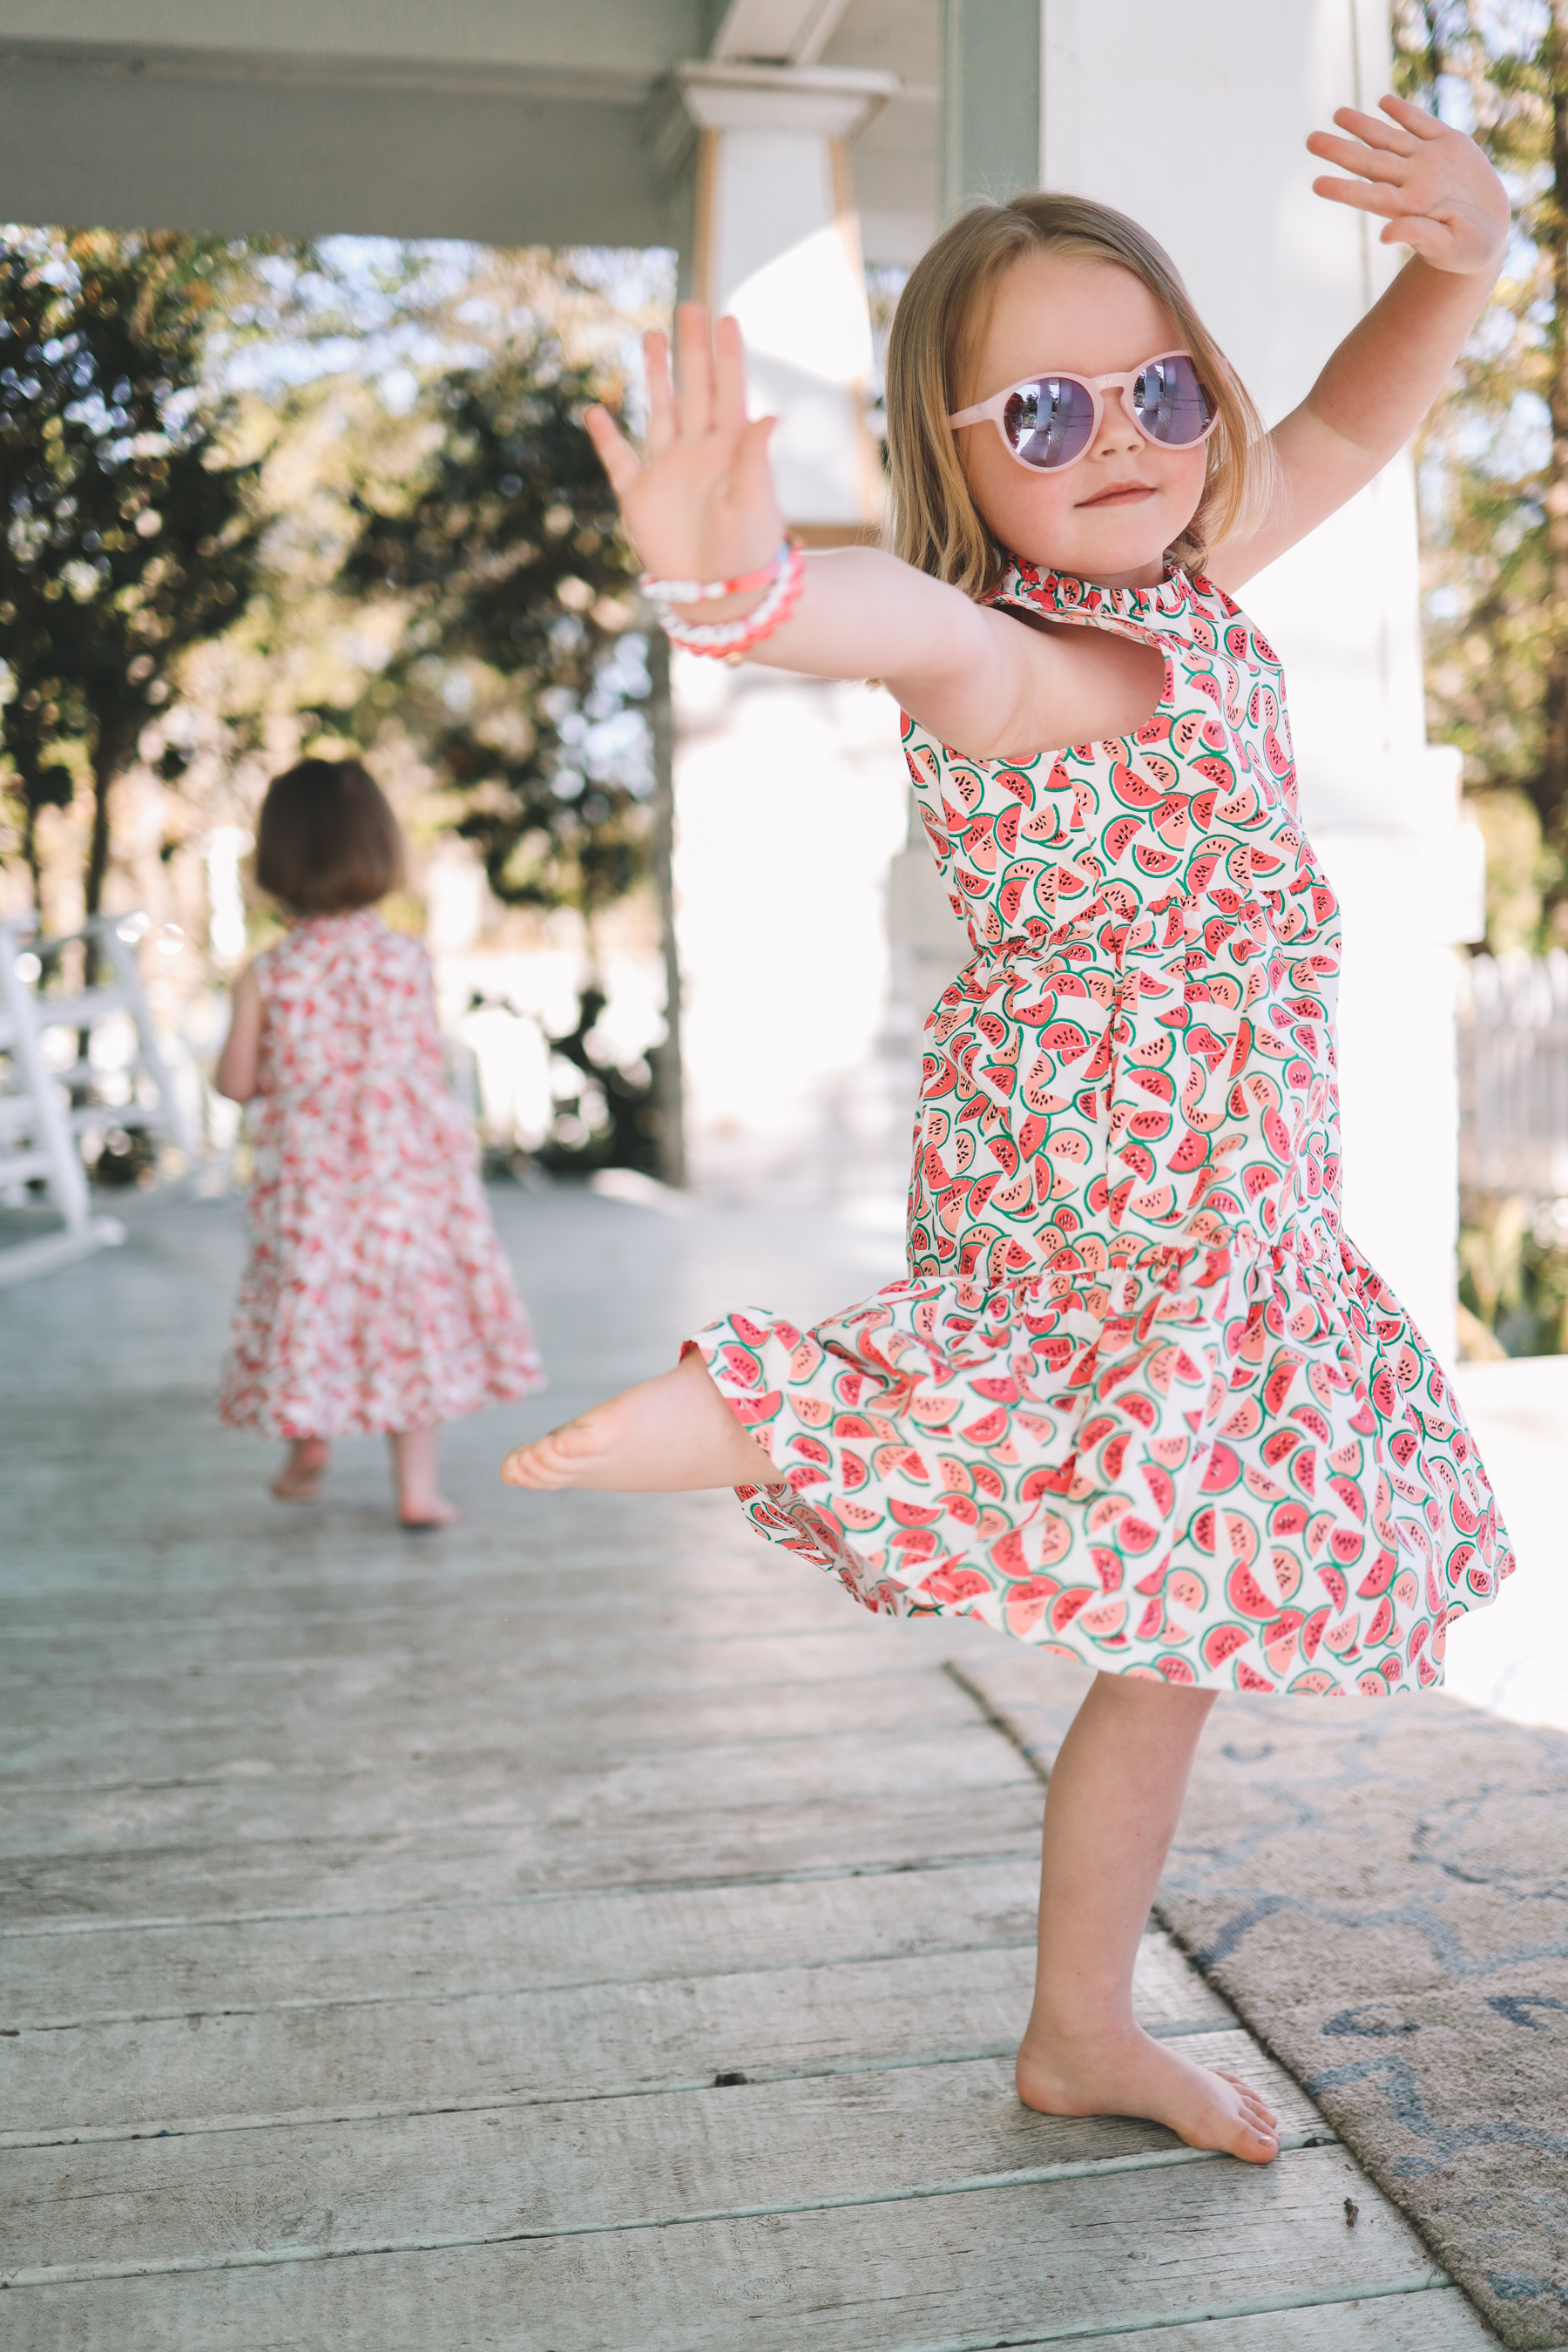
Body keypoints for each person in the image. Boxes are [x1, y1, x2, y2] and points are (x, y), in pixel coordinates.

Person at [503, 98, 1515, 2162]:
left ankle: (1080, 2027)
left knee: (1167, 1630)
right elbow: (891, 621)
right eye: (1042, 417)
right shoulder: (1021, 658)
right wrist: (731, 582)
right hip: (1110, 1181)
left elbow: (1345, 429)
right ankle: (781, 1406)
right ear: (954, 461)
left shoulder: (1201, 578)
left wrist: (1463, 259)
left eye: (1155, 388)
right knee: (1047, 1392)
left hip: (1234, 1207)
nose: (1120, 434)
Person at [215, 758, 543, 1526]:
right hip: (407, 1182)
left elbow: (236, 1082)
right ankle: (416, 1492)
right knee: (409, 1317)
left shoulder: (268, 972)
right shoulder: (407, 959)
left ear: (278, 858)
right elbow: (417, 1065)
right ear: (380, 849)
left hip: (313, 1184)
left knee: (314, 1303)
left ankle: (308, 1445)